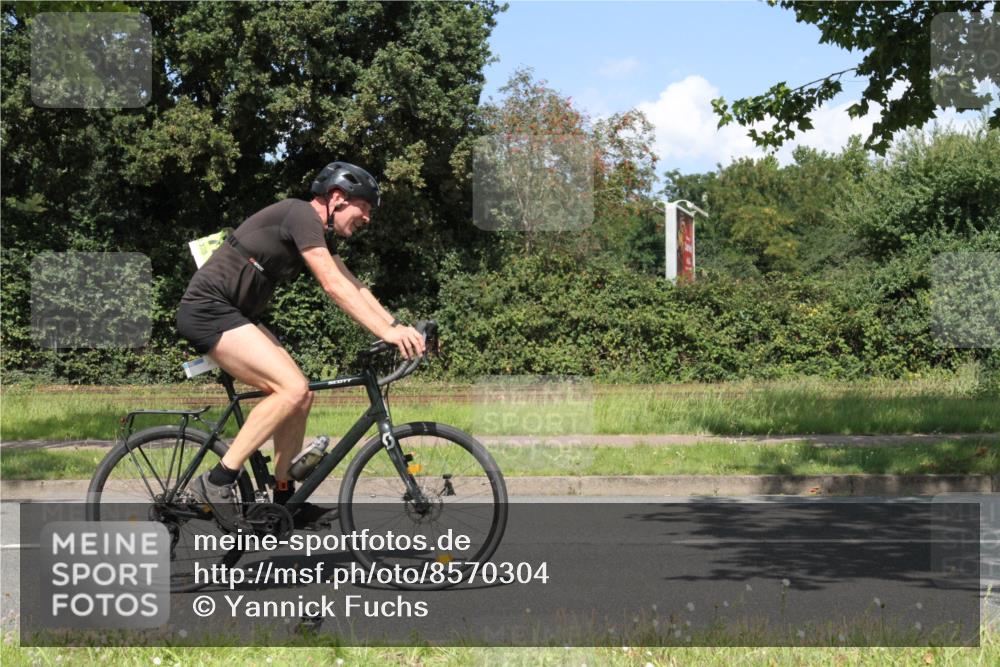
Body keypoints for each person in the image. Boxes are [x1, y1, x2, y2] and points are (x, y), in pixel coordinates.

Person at [175, 161, 426, 530]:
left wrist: (395, 326)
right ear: (338, 198)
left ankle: (283, 498)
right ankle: (217, 482)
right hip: (209, 310)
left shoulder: (317, 232)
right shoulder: (300, 214)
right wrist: (388, 333)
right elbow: (333, 287)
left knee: (301, 394)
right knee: (290, 389)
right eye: (365, 208)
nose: (368, 218)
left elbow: (353, 285)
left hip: (236, 314)